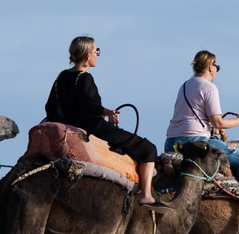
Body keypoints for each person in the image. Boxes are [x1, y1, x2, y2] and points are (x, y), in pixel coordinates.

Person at [46, 35, 160, 205]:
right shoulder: (85, 78)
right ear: (87, 55)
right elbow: (90, 105)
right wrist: (107, 112)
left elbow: (50, 106)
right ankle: (146, 196)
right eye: (96, 51)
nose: (97, 54)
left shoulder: (60, 77)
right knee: (148, 149)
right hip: (93, 127)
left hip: (68, 127)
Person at [167, 50, 239, 224]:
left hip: (171, 142)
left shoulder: (184, 86)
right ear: (210, 67)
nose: (216, 70)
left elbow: (193, 118)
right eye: (217, 67)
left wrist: (210, 129)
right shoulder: (209, 88)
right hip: (195, 143)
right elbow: (218, 122)